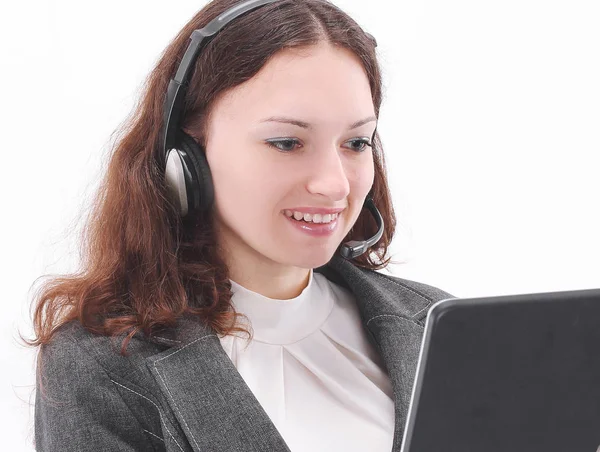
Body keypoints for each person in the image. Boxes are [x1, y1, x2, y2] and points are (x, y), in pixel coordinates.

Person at [26, 0, 455, 450]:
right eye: (287, 142)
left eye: (356, 142)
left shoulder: (437, 326)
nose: (333, 184)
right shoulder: (101, 367)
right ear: (186, 157)